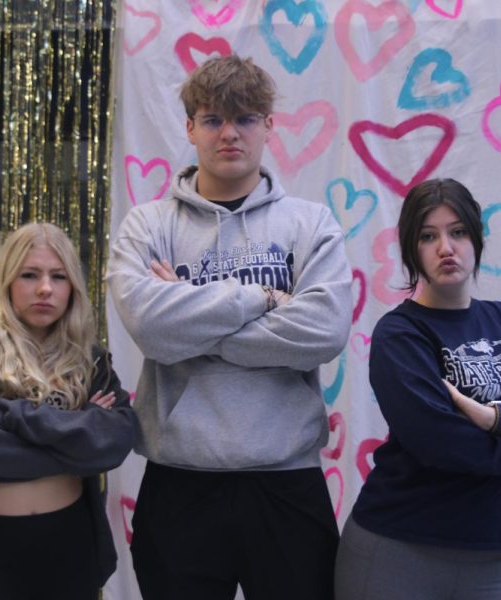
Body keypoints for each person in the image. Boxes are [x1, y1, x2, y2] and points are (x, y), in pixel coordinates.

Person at [107, 54, 352, 600]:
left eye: (245, 118)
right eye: (214, 119)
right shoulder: (149, 224)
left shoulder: (310, 223)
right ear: (190, 127)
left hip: (286, 481)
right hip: (180, 483)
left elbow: (325, 331)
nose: (229, 133)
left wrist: (189, 315)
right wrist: (262, 298)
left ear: (269, 126)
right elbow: (149, 327)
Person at [334, 179, 501, 600]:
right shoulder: (401, 334)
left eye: (457, 232)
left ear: (476, 239)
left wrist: (496, 418)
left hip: (497, 558)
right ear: (410, 250)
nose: (445, 248)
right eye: (427, 236)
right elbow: (444, 444)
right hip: (399, 551)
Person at [0, 223, 137, 599]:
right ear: (7, 280)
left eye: (58, 277)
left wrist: (16, 417)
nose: (45, 288)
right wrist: (76, 438)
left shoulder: (90, 359)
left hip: (70, 542)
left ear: (72, 286)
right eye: (29, 275)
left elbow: (116, 441)